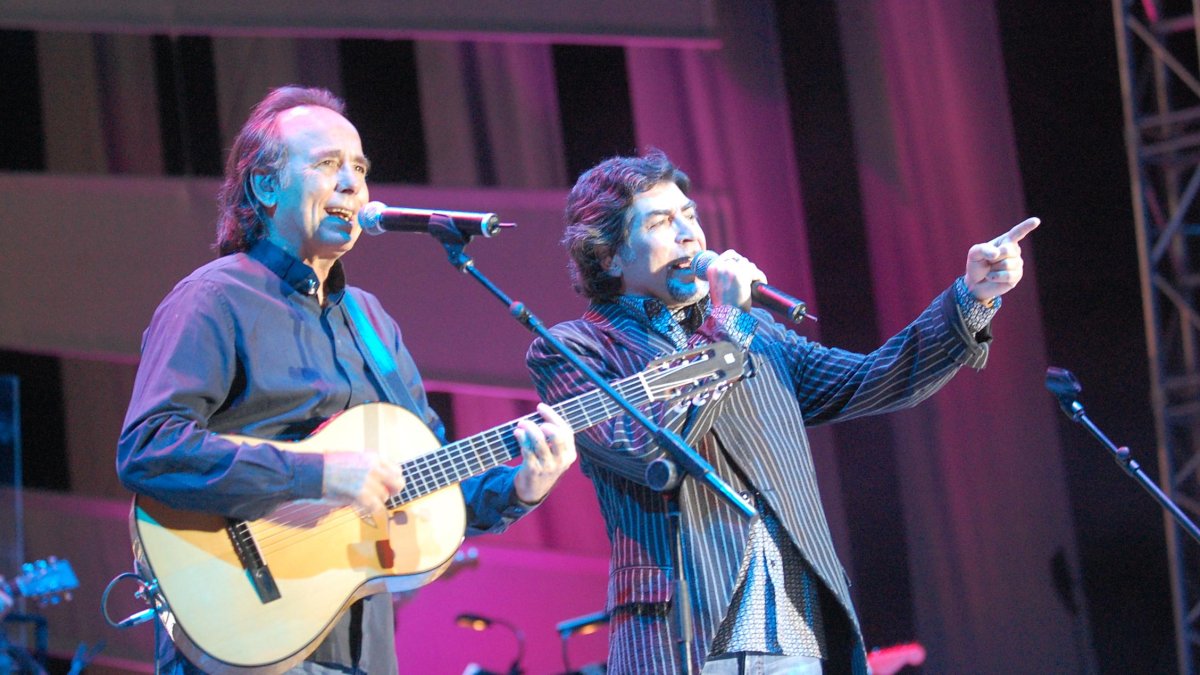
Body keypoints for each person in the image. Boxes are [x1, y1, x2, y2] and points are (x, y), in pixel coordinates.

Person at [117, 85, 577, 674]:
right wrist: (320, 473)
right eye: (328, 164)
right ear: (264, 185)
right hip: (237, 640)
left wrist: (523, 486)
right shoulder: (213, 300)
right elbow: (149, 450)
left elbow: (432, 483)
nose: (351, 184)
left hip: (363, 653)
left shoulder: (373, 322)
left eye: (359, 168)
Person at [525, 150, 1037, 674]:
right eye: (660, 222)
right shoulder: (575, 348)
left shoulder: (760, 336)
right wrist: (726, 322)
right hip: (682, 631)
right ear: (608, 255)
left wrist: (973, 297)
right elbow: (640, 444)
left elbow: (874, 379)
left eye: (690, 216)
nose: (689, 236)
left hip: (792, 623)